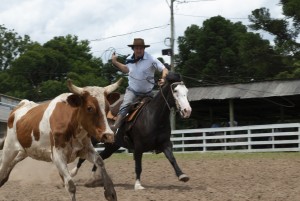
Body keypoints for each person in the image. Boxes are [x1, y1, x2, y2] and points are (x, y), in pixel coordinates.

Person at [111, 38, 169, 132]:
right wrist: (115, 62)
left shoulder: (151, 59)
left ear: (144, 49)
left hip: (148, 93)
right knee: (126, 104)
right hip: (132, 91)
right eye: (137, 48)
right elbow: (126, 69)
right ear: (133, 49)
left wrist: (163, 79)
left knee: (158, 108)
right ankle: (115, 127)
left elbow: (164, 69)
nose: (138, 50)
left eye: (141, 48)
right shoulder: (129, 59)